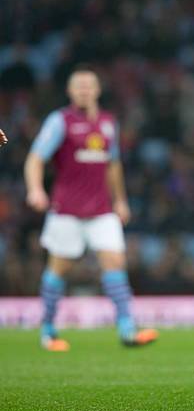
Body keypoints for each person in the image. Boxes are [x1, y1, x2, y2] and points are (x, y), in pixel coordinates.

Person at [24, 66, 158, 351]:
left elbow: (112, 164)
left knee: (115, 263)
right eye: (79, 86)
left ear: (97, 90)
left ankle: (126, 329)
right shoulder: (60, 121)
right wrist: (36, 189)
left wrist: (120, 200)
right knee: (58, 269)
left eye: (89, 85)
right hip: (67, 210)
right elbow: (35, 158)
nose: (84, 90)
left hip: (101, 210)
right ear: (70, 91)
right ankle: (48, 330)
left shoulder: (109, 122)